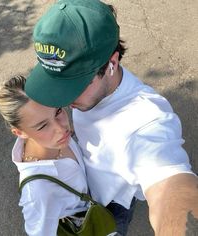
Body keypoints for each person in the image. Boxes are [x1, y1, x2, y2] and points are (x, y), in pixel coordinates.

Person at [24, 0, 198, 235]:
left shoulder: (147, 121)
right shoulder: (92, 87)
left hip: (112, 205)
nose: (64, 101)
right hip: (85, 186)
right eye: (58, 83)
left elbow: (170, 186)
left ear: (111, 64)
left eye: (75, 84)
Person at [0, 75, 90, 236]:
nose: (61, 128)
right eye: (43, 126)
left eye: (58, 111)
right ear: (20, 132)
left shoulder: (56, 140)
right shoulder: (37, 191)